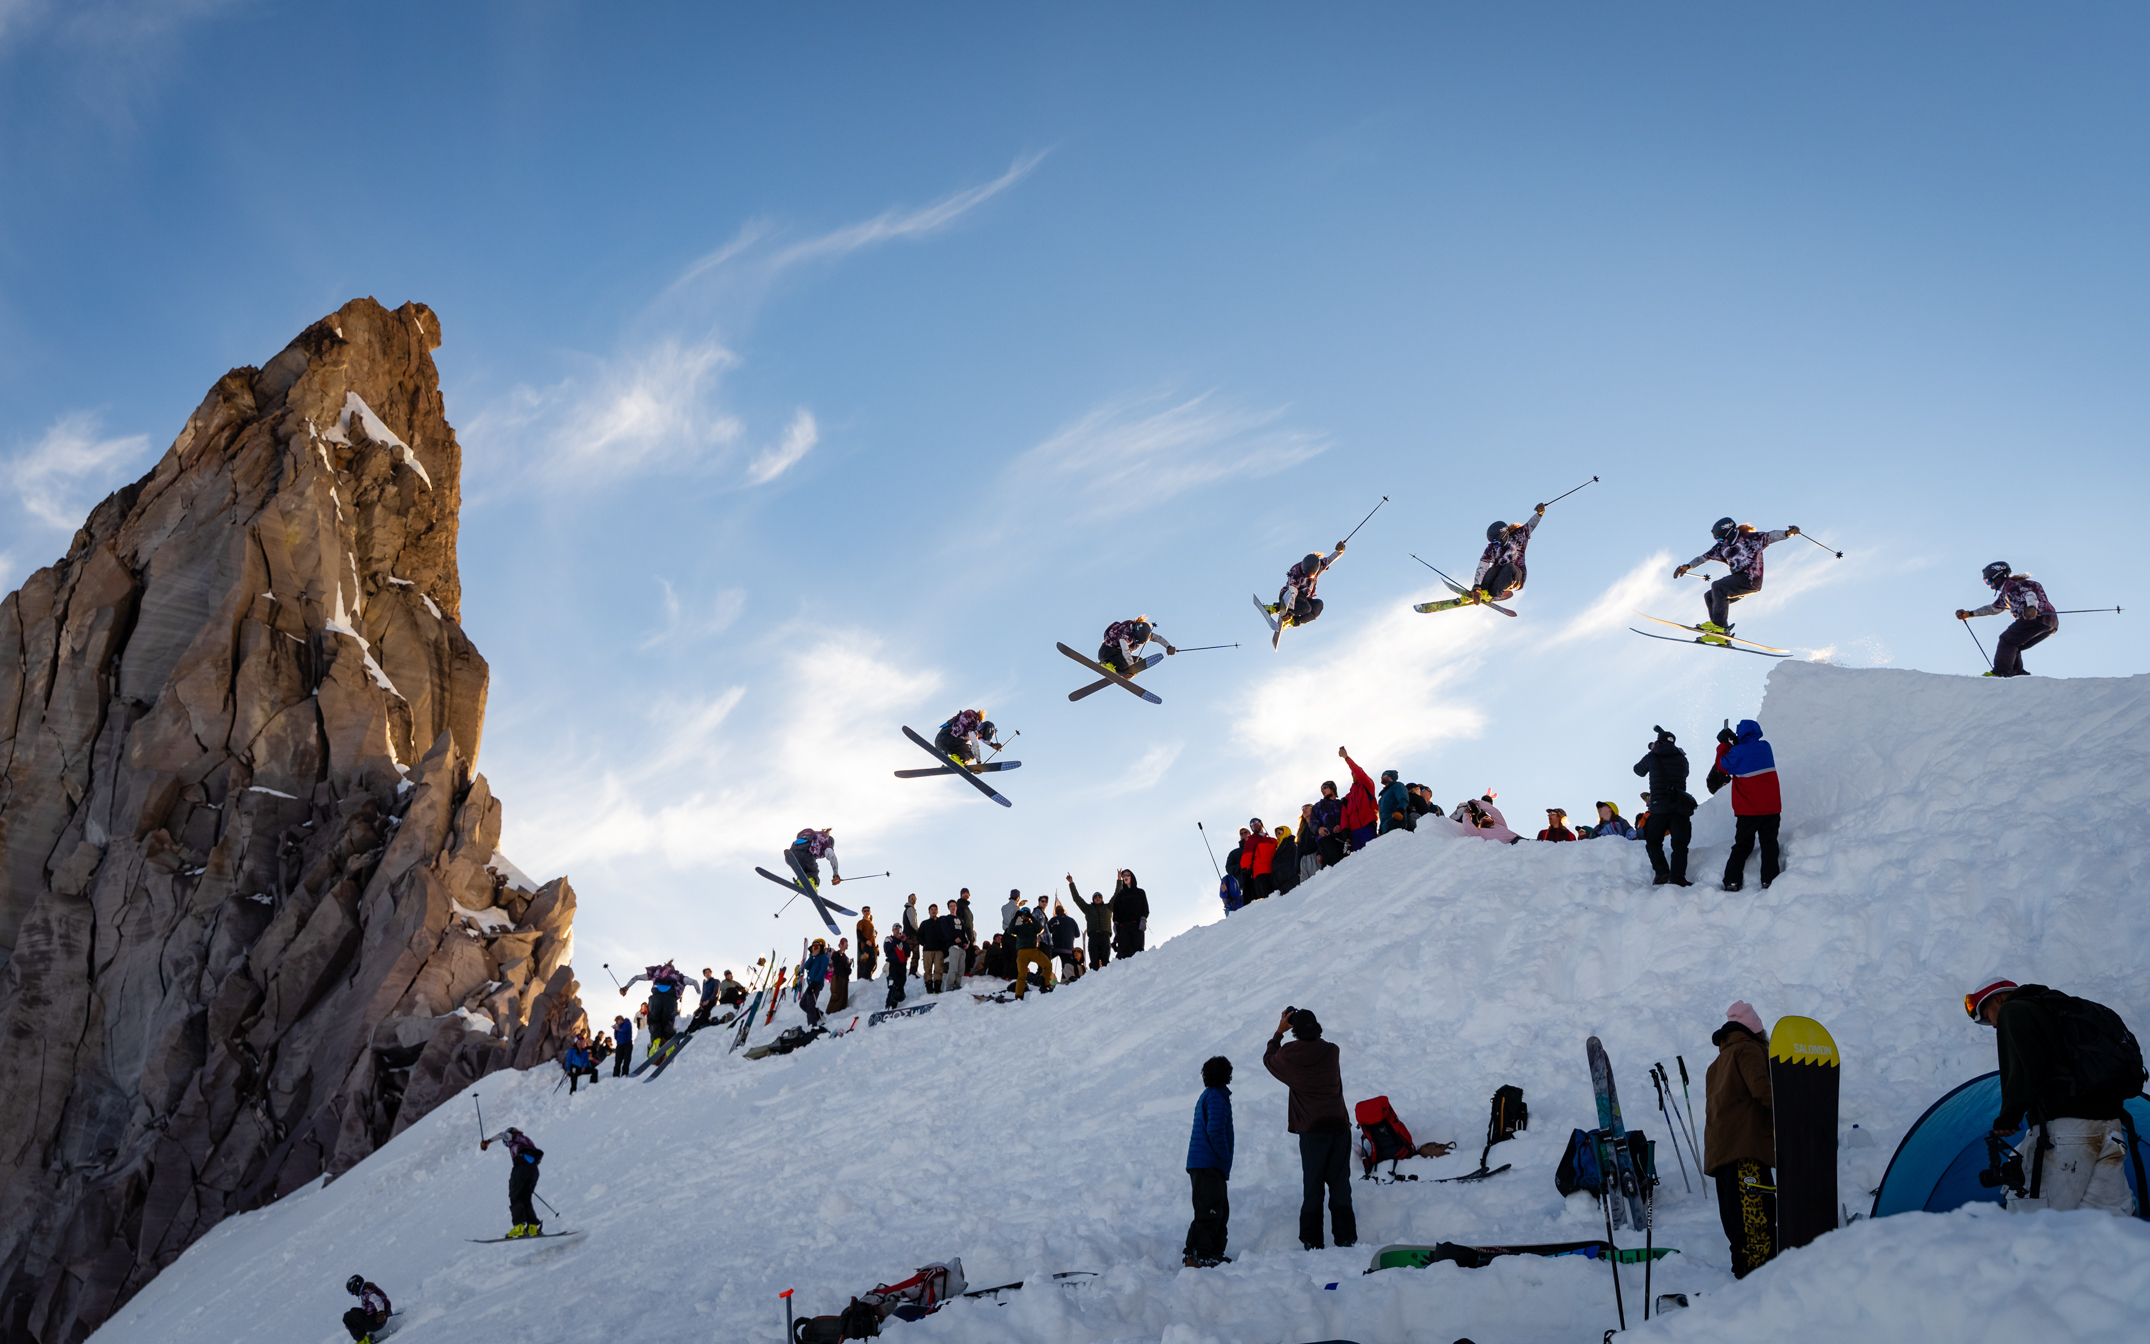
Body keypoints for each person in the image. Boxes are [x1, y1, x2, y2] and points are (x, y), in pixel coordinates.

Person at [1966, 980, 2139, 1216]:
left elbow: (2025, 1066)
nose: (1993, 1025)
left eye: (1988, 1016)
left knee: (2036, 1222)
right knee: (2106, 1227)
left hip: (2067, 1133)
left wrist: (2009, 1116)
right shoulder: (2062, 1011)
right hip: (2110, 1128)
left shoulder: (2014, 1009)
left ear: (1997, 998)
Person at [1263, 1007, 1356, 1251]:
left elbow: (1269, 1060)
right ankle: (1346, 1238)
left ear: (1294, 1030)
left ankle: (1312, 1241)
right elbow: (1317, 1044)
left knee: (1313, 1185)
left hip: (1313, 1130)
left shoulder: (1289, 1055)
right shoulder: (1332, 1051)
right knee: (1340, 1184)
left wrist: (1279, 1032)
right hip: (1339, 1126)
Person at [1704, 1001, 1777, 1278]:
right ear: (1756, 1030)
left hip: (1722, 1155)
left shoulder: (1717, 1064)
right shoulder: (1749, 1049)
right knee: (1756, 1221)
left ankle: (1743, 1279)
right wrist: (1795, 1112)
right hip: (1745, 1152)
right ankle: (1759, 1280)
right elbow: (1763, 1090)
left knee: (1737, 1225)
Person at [1674, 517, 1801, 644]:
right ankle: (1722, 635)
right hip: (1738, 583)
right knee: (1710, 596)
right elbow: (1703, 557)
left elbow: (1771, 536)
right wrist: (1687, 566)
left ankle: (1719, 627)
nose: (1720, 542)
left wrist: (1788, 533)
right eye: (1718, 540)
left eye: (1721, 539)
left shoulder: (1750, 539)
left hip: (1751, 580)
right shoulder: (1721, 548)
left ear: (1729, 533)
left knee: (1718, 586)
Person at [1957, 562, 2060, 678]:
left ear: (1997, 576)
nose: (1989, 585)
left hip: (2036, 618)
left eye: (1988, 581)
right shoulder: (2006, 593)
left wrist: (2031, 608)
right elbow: (1993, 609)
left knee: (2006, 640)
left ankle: (2001, 672)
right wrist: (1970, 614)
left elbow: (2030, 594)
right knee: (2015, 645)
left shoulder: (2014, 586)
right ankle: (2017, 673)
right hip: (2050, 623)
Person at [1184, 1056, 1236, 1268]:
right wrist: (1224, 1155)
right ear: (1227, 1076)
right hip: (1208, 1164)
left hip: (1206, 1164)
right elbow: (1214, 1131)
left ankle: (1212, 1252)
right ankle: (1198, 1254)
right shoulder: (1215, 1097)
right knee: (1210, 1211)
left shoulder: (1212, 1095)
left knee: (1219, 1209)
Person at [1720, 719, 1782, 891]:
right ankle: (1769, 880)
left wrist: (1724, 744)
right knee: (1769, 844)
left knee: (1742, 845)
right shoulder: (1765, 747)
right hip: (1771, 808)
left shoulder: (1738, 752)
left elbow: (1723, 764)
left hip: (1748, 810)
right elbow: (1749, 752)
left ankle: (1732, 881)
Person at [1633, 729, 1695, 886]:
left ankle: (1662, 873)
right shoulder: (1682, 758)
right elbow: (1685, 773)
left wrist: (1654, 750)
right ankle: (1678, 876)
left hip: (1659, 807)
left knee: (1653, 841)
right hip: (1679, 807)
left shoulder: (1652, 756)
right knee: (1680, 844)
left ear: (1658, 742)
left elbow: (1638, 770)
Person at [1469, 504, 1547, 602]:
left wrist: (1539, 513)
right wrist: (1477, 586)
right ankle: (1480, 591)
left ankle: (1493, 594)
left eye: (1496, 542)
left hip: (1516, 576)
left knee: (1509, 568)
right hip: (1499, 575)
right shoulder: (1491, 548)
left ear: (1504, 536)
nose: (1494, 545)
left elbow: (1531, 525)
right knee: (1492, 571)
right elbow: (1483, 565)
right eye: (1492, 542)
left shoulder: (1519, 536)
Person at [478, 1125, 546, 1238]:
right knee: (526, 1198)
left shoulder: (512, 1137)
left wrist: (487, 1142)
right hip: (533, 1171)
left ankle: (519, 1227)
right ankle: (532, 1227)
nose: (507, 1145)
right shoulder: (527, 1140)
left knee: (516, 1197)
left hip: (520, 1168)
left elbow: (501, 1134)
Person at [1264, 542, 1347, 630]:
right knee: (1306, 608)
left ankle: (1292, 622)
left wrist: (1339, 551)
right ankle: (1273, 608)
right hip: (1288, 595)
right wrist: (1290, 611)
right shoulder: (1296, 572)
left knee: (1318, 605)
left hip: (1304, 598)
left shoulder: (1319, 565)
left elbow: (1330, 559)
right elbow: (1293, 591)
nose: (1308, 577)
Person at [620, 961, 690, 1056]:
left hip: (655, 1001)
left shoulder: (657, 973)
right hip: (670, 1002)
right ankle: (670, 1043)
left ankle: (655, 1040)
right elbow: (689, 982)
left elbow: (636, 977)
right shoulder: (676, 975)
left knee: (654, 1021)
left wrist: (626, 987)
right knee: (668, 1021)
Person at [1098, 615, 1178, 673]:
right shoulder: (1124, 635)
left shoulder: (1141, 632)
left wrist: (1168, 646)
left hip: (1118, 654)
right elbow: (1125, 651)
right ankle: (1108, 665)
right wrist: (1131, 666)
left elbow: (1157, 638)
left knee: (1139, 662)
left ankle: (1121, 670)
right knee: (1128, 663)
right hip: (1106, 653)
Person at [1008, 899, 1054, 998]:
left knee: (1047, 965)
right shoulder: (1019, 927)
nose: (1025, 915)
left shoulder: (1033, 926)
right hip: (1022, 952)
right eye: (1023, 913)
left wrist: (1032, 917)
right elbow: (1010, 931)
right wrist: (1015, 917)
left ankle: (1045, 984)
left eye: (1027, 913)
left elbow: (1040, 929)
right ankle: (1019, 995)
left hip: (1033, 950)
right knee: (1022, 975)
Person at [1068, 876, 1114, 970]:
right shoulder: (1087, 908)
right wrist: (1071, 883)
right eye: (1095, 897)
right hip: (1093, 936)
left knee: (1105, 960)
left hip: (1105, 936)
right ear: (1093, 899)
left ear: (1102, 898)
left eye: (1099, 896)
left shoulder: (1108, 907)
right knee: (1094, 961)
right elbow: (1076, 898)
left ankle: (1108, 978)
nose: (1097, 898)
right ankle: (1094, 980)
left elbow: (1116, 895)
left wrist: (1119, 880)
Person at [1337, 749, 1378, 852]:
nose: (1355, 774)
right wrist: (1345, 832)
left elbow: (1359, 773)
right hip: (1354, 832)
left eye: (1356, 772)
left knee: (1372, 853)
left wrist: (1346, 758)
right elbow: (1344, 817)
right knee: (1358, 861)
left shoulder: (1367, 786)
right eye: (1353, 773)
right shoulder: (1347, 798)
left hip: (1368, 826)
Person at [933, 708, 1004, 767]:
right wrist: (978, 763)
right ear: (982, 730)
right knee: (971, 753)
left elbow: (979, 738)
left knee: (964, 751)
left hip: (942, 742)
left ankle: (953, 762)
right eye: (981, 736)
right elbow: (975, 744)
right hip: (947, 739)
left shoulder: (975, 726)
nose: (979, 737)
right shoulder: (972, 724)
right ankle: (956, 761)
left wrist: (992, 745)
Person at [785, 827, 842, 892]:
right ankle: (810, 883)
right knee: (813, 872)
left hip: (793, 852)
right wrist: (835, 874)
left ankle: (800, 881)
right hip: (806, 853)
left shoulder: (814, 834)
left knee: (804, 871)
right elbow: (832, 857)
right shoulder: (826, 843)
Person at [1110, 870, 1149, 958]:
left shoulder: (1140, 892)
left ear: (1132, 877)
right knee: (1123, 952)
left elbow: (1145, 908)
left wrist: (1143, 919)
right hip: (1124, 926)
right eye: (1124, 876)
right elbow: (1116, 911)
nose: (1125, 877)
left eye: (1127, 875)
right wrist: (1115, 924)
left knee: (1138, 951)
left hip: (1137, 925)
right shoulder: (1120, 895)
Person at [342, 1275, 391, 1343]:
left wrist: (381, 1313)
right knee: (353, 1311)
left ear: (356, 1286)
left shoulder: (367, 1292)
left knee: (347, 1317)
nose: (353, 1294)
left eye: (351, 1292)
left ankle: (363, 1340)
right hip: (378, 1319)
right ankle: (366, 1336)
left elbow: (378, 1301)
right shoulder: (366, 1290)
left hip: (378, 1321)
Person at [918, 902, 952, 993]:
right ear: (929, 911)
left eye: (935, 909)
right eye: (931, 910)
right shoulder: (925, 923)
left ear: (937, 911)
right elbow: (919, 936)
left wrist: (943, 947)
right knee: (927, 969)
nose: (933, 911)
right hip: (928, 950)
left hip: (939, 950)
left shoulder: (941, 923)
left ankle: (937, 988)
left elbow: (946, 934)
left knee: (938, 969)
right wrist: (924, 943)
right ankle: (929, 988)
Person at [1311, 786, 1345, 867]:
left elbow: (1346, 817)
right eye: (1321, 789)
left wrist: (1341, 825)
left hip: (1341, 837)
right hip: (1325, 838)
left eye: (1325, 787)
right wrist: (1318, 828)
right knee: (1331, 862)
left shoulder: (1340, 804)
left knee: (1344, 861)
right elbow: (1312, 822)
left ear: (1333, 789)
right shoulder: (1318, 806)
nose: (1322, 790)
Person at [1244, 820, 1278, 901]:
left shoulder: (1272, 840)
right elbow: (1246, 856)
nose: (1255, 824)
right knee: (1267, 900)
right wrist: (1245, 869)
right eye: (1252, 824)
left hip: (1274, 871)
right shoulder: (1251, 841)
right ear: (1251, 829)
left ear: (1262, 824)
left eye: (1257, 822)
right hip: (1260, 873)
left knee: (1278, 897)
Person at [799, 939, 830, 1026]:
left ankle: (812, 1025)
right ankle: (818, 1015)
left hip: (816, 983)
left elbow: (823, 970)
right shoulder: (813, 957)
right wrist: (812, 956)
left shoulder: (824, 957)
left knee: (810, 1005)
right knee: (802, 1004)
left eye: (817, 947)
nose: (815, 948)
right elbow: (806, 966)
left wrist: (815, 982)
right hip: (811, 983)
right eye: (814, 947)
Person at [1049, 902, 1083, 980]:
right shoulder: (1072, 920)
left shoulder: (1053, 920)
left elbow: (1047, 931)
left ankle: (1042, 976)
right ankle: (1064, 982)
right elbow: (1077, 934)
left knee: (1045, 959)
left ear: (1055, 912)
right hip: (1068, 949)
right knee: (1065, 967)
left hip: (1055, 947)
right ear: (1064, 911)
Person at [1377, 771, 1411, 836]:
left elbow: (1403, 799)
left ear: (1390, 776)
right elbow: (1383, 814)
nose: (1381, 777)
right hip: (1385, 827)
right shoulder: (1382, 797)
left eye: (1384, 775)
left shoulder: (1397, 786)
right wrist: (1380, 830)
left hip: (1395, 821)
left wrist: (1400, 811)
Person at [882, 929, 909, 1010]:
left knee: (901, 983)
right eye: (896, 928)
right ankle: (889, 1005)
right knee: (893, 984)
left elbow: (908, 952)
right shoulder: (889, 939)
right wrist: (896, 940)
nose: (897, 931)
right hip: (892, 964)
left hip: (902, 965)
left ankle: (895, 1004)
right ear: (893, 930)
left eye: (899, 928)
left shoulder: (901, 941)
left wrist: (904, 941)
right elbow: (887, 951)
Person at [1298, 803, 1326, 880]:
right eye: (1303, 809)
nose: (1304, 810)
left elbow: (1321, 839)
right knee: (1305, 886)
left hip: (1314, 856)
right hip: (1303, 860)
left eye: (1307, 808)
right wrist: (1297, 866)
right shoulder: (1302, 830)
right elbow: (1299, 848)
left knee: (1316, 881)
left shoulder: (1317, 825)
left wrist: (1320, 852)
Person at [1270, 826, 1300, 895]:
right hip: (1280, 880)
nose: (1278, 832)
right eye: (1276, 831)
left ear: (1286, 831)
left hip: (1290, 877)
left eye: (1280, 830)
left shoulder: (1290, 843)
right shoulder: (1276, 847)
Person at [829, 942, 851, 1013]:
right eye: (844, 944)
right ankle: (830, 1013)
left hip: (844, 978)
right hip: (837, 977)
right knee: (836, 996)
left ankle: (840, 1013)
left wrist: (848, 966)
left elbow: (848, 970)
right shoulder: (836, 954)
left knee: (843, 997)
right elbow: (834, 958)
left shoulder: (846, 957)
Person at [902, 895, 922, 975]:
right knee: (915, 953)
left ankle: (904, 970)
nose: (913, 900)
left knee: (907, 954)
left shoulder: (908, 909)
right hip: (911, 935)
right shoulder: (910, 909)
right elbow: (912, 922)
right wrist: (918, 931)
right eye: (912, 898)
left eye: (914, 899)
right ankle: (912, 972)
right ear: (908, 899)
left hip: (907, 934)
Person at [856, 908, 877, 980]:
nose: (866, 912)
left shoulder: (871, 924)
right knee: (866, 961)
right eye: (865, 911)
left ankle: (868, 976)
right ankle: (865, 978)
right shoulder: (861, 922)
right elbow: (859, 934)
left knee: (873, 962)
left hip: (872, 945)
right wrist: (866, 941)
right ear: (862, 913)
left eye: (868, 911)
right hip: (865, 945)